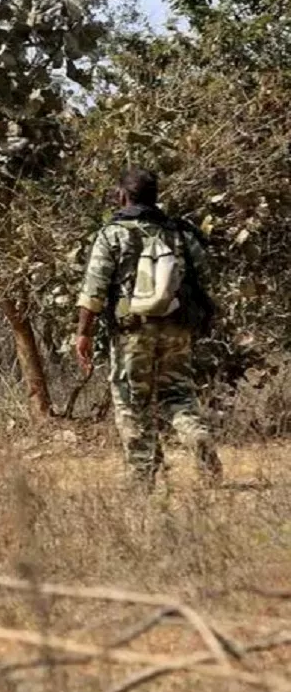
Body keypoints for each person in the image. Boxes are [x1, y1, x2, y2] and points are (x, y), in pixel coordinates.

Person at [75, 167, 221, 490]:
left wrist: (83, 332)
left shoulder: (112, 234)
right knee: (178, 394)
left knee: (131, 401)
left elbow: (94, 288)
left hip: (133, 333)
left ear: (123, 196)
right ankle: (197, 434)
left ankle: (141, 476)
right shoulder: (179, 232)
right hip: (176, 328)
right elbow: (206, 275)